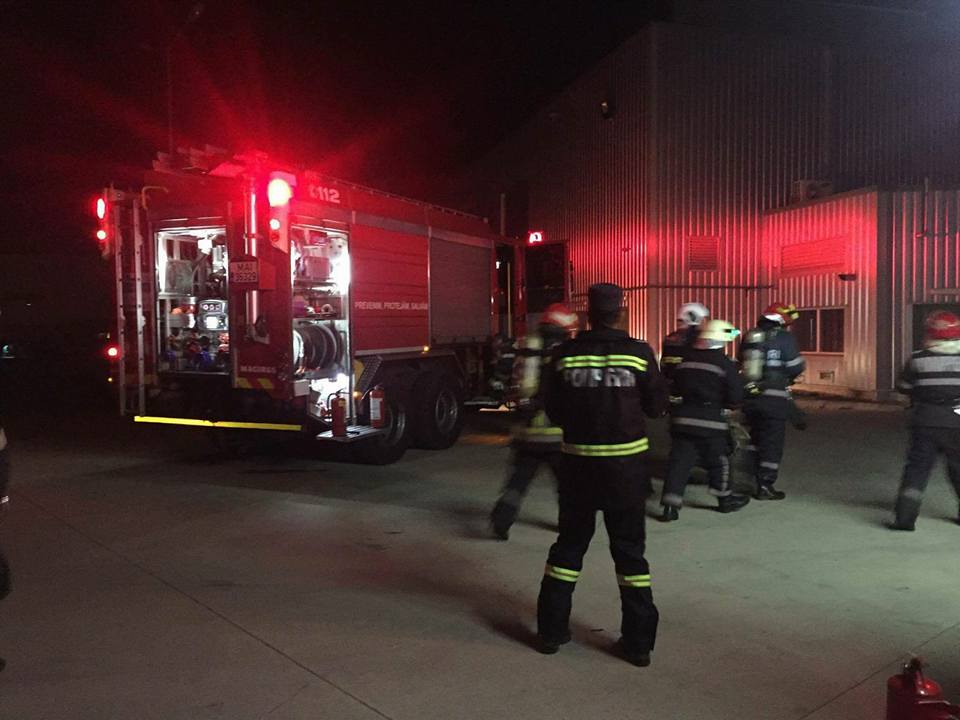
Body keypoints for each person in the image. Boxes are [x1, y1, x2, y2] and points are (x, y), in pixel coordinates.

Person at [536, 283, 668, 666]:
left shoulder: (564, 355)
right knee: (630, 557)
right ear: (620, 313)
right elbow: (657, 407)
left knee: (567, 550)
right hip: (627, 473)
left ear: (588, 315)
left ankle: (551, 632)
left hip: (578, 470)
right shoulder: (639, 353)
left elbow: (553, 410)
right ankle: (638, 644)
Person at [490, 303, 579, 540]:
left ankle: (501, 520)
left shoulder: (525, 345)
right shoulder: (565, 352)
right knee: (567, 485)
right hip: (556, 435)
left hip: (526, 432)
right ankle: (569, 525)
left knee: (518, 481)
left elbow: (502, 376)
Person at [659, 319, 750, 521]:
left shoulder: (685, 360)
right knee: (720, 460)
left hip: (682, 419)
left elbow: (674, 387)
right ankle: (725, 500)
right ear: (720, 341)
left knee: (679, 463)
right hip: (710, 421)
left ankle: (670, 507)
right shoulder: (724, 363)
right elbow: (735, 396)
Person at [890, 310, 960, 531]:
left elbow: (903, 387)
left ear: (929, 332)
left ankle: (905, 517)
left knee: (917, 468)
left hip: (925, 419)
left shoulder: (918, 359)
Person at [739, 301, 805, 500]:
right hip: (774, 398)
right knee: (772, 443)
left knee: (755, 437)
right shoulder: (785, 338)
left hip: (751, 398)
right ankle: (765, 485)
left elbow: (742, 362)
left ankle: (748, 477)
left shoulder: (750, 335)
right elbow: (795, 366)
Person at [660, 302, 710, 390]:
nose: (706, 323)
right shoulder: (700, 339)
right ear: (695, 319)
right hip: (694, 390)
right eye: (704, 319)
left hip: (671, 388)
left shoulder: (670, 339)